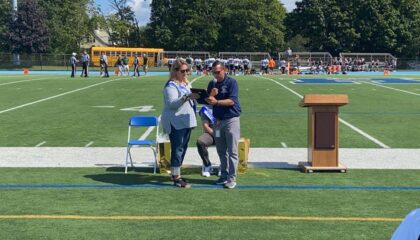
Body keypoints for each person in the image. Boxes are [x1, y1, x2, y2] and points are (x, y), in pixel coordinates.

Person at [161, 58, 199, 188]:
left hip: (186, 120)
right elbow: (172, 104)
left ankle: (177, 173)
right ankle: (176, 177)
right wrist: (186, 97)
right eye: (183, 71)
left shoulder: (186, 83)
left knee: (183, 147)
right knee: (177, 148)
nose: (186, 73)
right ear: (175, 71)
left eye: (187, 70)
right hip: (176, 121)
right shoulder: (170, 85)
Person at [205, 60, 241, 189]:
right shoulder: (212, 83)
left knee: (232, 150)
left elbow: (232, 101)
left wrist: (216, 101)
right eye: (213, 72)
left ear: (224, 70)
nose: (215, 75)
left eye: (218, 72)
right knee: (221, 150)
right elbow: (208, 101)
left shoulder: (231, 82)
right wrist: (210, 95)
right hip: (218, 121)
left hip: (231, 119)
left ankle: (232, 178)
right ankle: (224, 175)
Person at [196, 106, 216, 177]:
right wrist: (216, 134)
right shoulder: (206, 109)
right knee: (201, 141)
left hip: (223, 133)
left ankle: (224, 167)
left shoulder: (224, 106)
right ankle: (207, 165)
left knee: (228, 140)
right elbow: (205, 126)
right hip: (211, 134)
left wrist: (220, 135)